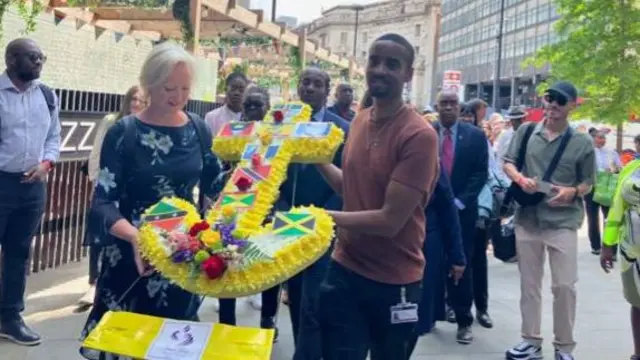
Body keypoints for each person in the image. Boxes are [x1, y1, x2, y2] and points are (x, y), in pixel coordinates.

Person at [78, 42, 221, 360]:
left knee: (175, 345)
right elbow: (102, 202)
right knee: (127, 344)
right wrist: (135, 237)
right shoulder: (124, 132)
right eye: (169, 87)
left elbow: (215, 184)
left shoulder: (197, 129)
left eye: (185, 88)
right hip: (130, 256)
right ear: (149, 84)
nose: (179, 96)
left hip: (181, 256)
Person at [315, 33, 439, 359]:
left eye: (392, 64)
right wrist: (316, 159)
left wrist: (318, 218)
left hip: (394, 282)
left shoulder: (419, 135)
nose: (380, 70)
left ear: (408, 74)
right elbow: (351, 188)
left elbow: (389, 220)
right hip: (344, 270)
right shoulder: (358, 121)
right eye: (374, 61)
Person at [502, 81, 595, 360]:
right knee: (529, 285)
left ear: (571, 105)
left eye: (560, 100)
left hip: (563, 221)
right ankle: (530, 340)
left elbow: (589, 181)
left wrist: (573, 192)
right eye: (549, 98)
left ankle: (564, 347)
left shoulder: (582, 142)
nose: (553, 104)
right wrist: (519, 178)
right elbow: (508, 162)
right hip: (528, 218)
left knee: (564, 286)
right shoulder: (527, 131)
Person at [279, 67, 349, 360]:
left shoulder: (342, 128)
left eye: (316, 84)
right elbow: (275, 172)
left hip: (324, 224)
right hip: (288, 223)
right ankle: (303, 350)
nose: (309, 88)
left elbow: (347, 178)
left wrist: (325, 215)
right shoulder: (283, 124)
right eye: (304, 82)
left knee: (315, 297)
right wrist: (281, 210)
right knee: (295, 295)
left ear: (326, 90)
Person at [0, 38, 60, 346]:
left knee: (19, 253)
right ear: (11, 60)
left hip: (33, 186)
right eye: (32, 57)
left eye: (41, 57)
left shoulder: (47, 96)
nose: (39, 63)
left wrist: (46, 163)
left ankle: (10, 317)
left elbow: (53, 136)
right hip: (1, 182)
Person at [217, 85, 281, 338]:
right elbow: (219, 168)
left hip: (267, 210)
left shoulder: (277, 136)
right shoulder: (233, 134)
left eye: (258, 105)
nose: (252, 110)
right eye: (248, 106)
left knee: (267, 267)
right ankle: (226, 322)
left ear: (267, 108)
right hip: (233, 210)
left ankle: (267, 321)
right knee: (227, 263)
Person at [76, 85, 147, 310]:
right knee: (99, 237)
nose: (136, 104)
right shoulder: (111, 122)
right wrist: (97, 186)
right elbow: (96, 155)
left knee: (122, 241)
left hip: (131, 193)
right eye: (133, 99)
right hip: (108, 188)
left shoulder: (147, 126)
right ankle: (93, 282)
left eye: (141, 101)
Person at [434, 92, 489, 343]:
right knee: (431, 263)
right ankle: (432, 314)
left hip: (462, 213)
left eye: (452, 104)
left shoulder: (475, 136)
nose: (448, 108)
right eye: (443, 104)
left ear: (459, 108)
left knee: (461, 265)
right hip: (430, 212)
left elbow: (480, 174)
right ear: (437, 107)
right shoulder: (425, 133)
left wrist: (458, 202)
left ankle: (464, 320)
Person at [406, 160, 466, 358]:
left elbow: (448, 210)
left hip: (422, 244)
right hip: (378, 244)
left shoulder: (428, 158)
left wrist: (457, 256)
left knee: (414, 314)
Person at [601, 159, 640, 360]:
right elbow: (617, 208)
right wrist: (608, 245)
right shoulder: (631, 169)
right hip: (632, 251)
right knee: (637, 302)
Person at [585, 130, 621, 255]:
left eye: (603, 138)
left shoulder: (611, 153)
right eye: (599, 138)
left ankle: (610, 247)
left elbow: (618, 168)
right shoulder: (588, 153)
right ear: (593, 139)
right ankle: (596, 246)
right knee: (592, 218)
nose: (602, 140)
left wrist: (613, 170)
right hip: (592, 188)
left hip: (607, 189)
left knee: (609, 218)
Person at [204, 72, 248, 136]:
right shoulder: (212, 117)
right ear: (225, 89)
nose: (237, 93)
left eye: (241, 90)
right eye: (233, 89)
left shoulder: (252, 119)